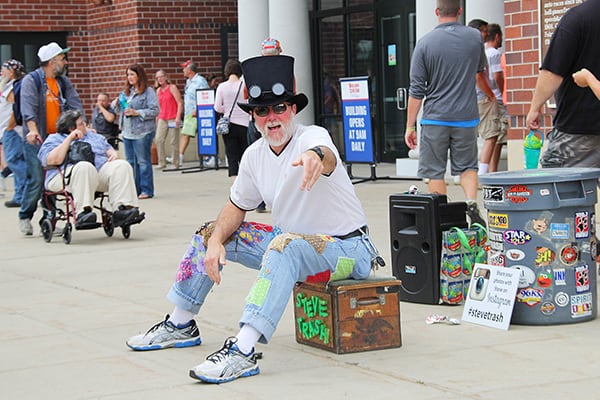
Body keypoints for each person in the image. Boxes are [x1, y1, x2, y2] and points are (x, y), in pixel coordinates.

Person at [126, 55, 379, 384]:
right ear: (253, 117)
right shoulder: (255, 155)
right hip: (293, 243)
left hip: (348, 251)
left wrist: (316, 159)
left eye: (279, 108)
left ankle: (243, 350)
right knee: (210, 231)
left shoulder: (311, 137)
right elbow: (236, 206)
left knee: (283, 244)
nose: (272, 118)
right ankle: (180, 323)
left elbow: (325, 155)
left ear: (292, 109)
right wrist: (216, 242)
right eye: (262, 111)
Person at [404, 0, 486, 227]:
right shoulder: (475, 38)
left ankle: (441, 215)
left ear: (436, 12)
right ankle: (471, 204)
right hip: (466, 117)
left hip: (435, 118)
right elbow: (479, 71)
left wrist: (410, 125)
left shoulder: (424, 44)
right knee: (468, 166)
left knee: (435, 171)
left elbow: (417, 90)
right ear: (460, 11)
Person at [38, 110, 145, 229]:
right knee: (85, 166)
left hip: (96, 174)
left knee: (122, 165)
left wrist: (113, 154)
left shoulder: (94, 136)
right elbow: (53, 160)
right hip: (64, 177)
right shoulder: (54, 139)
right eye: (81, 124)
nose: (85, 125)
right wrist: (69, 139)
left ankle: (122, 208)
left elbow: (108, 149)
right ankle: (83, 212)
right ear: (71, 128)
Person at [19, 42, 84, 236]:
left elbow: (76, 106)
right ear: (52, 61)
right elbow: (28, 111)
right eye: (62, 58)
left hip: (57, 139)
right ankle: (25, 215)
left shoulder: (63, 82)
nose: (65, 62)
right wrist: (32, 131)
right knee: (37, 179)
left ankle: (49, 218)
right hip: (37, 139)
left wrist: (84, 127)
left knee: (53, 178)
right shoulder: (32, 81)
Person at [526, 0, 600, 168]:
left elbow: (552, 72)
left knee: (556, 186)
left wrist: (535, 107)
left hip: (577, 128)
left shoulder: (577, 18)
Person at [113, 64, 158, 199]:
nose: (130, 77)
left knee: (143, 161)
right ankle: (134, 189)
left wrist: (137, 112)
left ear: (139, 75)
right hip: (127, 131)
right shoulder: (127, 92)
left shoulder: (148, 91)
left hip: (142, 131)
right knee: (131, 162)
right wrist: (116, 104)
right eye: (128, 75)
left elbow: (155, 110)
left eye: (132, 74)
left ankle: (146, 189)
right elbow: (119, 110)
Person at [477, 23, 506, 174]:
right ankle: (487, 171)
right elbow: (497, 76)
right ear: (496, 36)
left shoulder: (481, 52)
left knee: (494, 136)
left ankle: (491, 170)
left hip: (483, 97)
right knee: (494, 135)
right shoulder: (494, 54)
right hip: (493, 99)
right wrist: (499, 93)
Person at [213, 59, 249, 179]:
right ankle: (246, 180)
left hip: (229, 126)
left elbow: (217, 107)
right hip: (245, 124)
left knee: (232, 156)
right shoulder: (245, 85)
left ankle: (235, 184)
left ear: (227, 71)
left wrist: (227, 109)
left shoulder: (222, 87)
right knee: (245, 154)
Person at [0, 59, 27, 208]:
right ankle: (19, 196)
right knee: (17, 160)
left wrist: (9, 128)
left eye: (3, 69)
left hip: (12, 130)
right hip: (9, 130)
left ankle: (32, 185)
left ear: (11, 71)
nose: (1, 72)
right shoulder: (8, 85)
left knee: (12, 161)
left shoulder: (13, 87)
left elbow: (13, 109)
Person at [178, 60, 209, 166]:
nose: (183, 70)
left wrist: (198, 108)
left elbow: (205, 95)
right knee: (186, 133)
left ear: (190, 70)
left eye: (184, 68)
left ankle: (208, 157)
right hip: (189, 113)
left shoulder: (200, 81)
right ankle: (180, 157)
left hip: (197, 112)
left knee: (201, 134)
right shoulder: (189, 82)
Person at [155, 69, 183, 170]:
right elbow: (158, 105)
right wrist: (157, 117)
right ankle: (161, 162)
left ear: (166, 77)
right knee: (159, 139)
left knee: (173, 141)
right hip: (162, 117)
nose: (160, 79)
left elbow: (179, 102)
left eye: (161, 76)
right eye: (157, 77)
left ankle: (175, 162)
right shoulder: (158, 91)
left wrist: (178, 116)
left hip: (172, 116)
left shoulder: (172, 88)